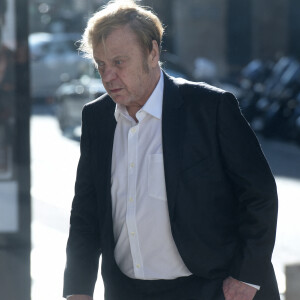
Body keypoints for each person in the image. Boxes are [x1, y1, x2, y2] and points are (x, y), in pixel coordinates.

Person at [63, 1, 280, 299]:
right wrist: (77, 290)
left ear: (152, 53)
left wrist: (248, 275)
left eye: (119, 62)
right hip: (127, 291)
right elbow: (86, 212)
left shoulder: (211, 108)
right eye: (101, 64)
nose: (108, 75)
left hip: (209, 288)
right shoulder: (97, 118)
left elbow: (259, 193)